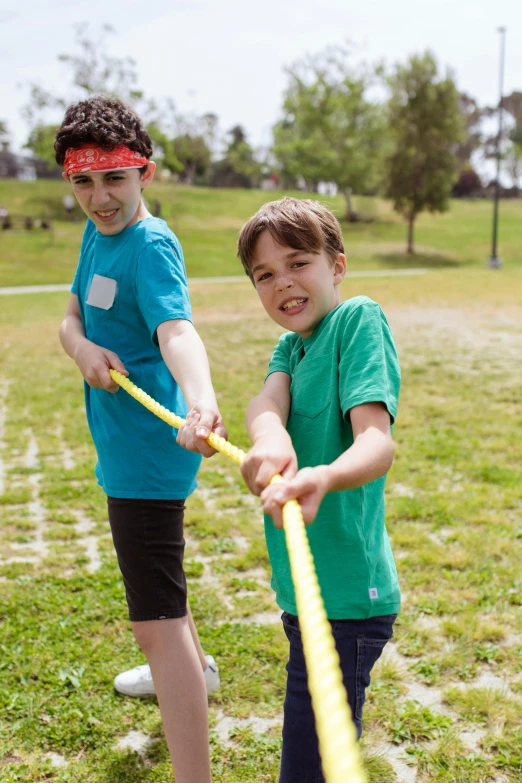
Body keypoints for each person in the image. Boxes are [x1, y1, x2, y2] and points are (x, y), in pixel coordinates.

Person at [56, 96, 223, 783]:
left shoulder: (151, 244)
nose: (100, 197)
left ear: (144, 174)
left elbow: (176, 329)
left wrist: (204, 399)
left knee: (155, 622)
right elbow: (70, 314)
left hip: (152, 453)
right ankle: (197, 670)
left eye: (114, 179)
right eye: (83, 183)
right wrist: (81, 350)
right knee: (165, 596)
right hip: (120, 444)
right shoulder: (100, 234)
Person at [237, 198, 401, 782]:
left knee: (310, 763)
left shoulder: (357, 320)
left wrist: (323, 475)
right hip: (306, 595)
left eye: (298, 262)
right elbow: (266, 402)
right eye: (264, 274)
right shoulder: (290, 348)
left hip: (348, 603)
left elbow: (375, 443)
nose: (283, 282)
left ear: (337, 265)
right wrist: (269, 435)